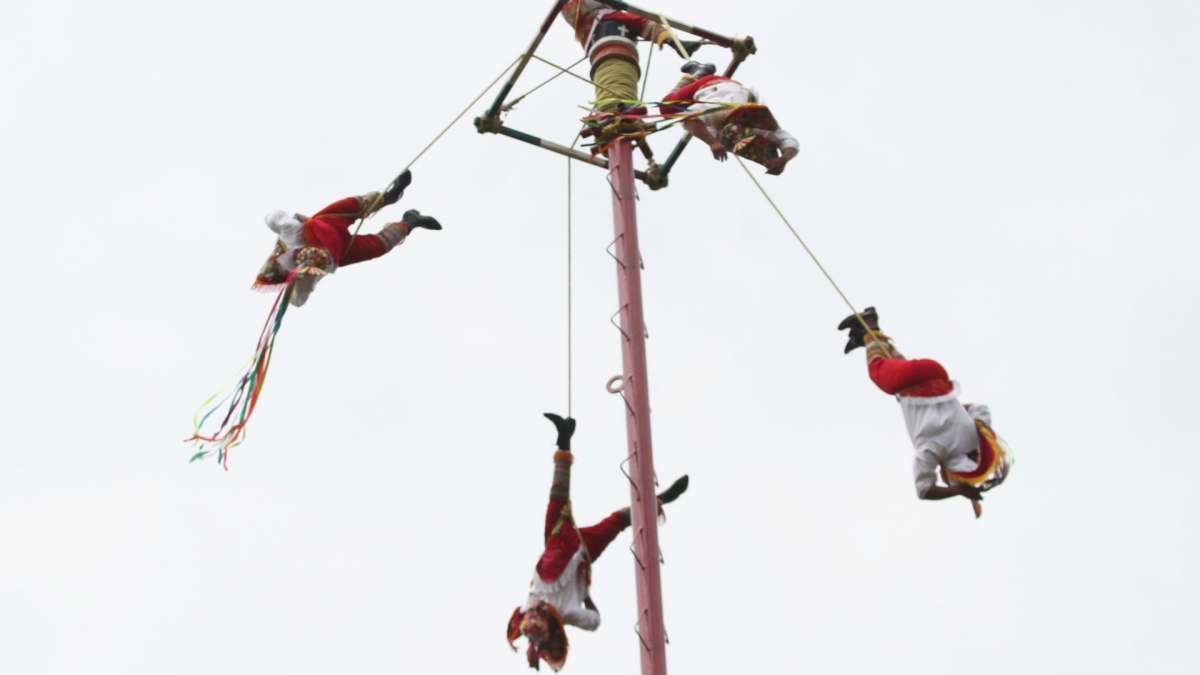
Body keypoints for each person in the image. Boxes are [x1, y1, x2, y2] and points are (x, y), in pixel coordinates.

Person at [507, 413, 689, 671]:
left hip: (562, 547)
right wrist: (584, 592)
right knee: (612, 521)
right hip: (578, 553)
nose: (536, 613)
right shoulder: (564, 612)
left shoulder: (532, 608)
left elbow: (526, 625)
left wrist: (534, 646)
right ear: (548, 622)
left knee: (561, 499)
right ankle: (659, 500)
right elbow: (594, 621)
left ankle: (565, 438)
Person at [838, 307, 1011, 516]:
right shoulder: (935, 449)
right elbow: (924, 490)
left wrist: (956, 411)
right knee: (880, 373)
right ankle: (869, 326)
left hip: (934, 374)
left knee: (896, 367)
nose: (940, 472)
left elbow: (981, 409)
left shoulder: (976, 436)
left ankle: (865, 336)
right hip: (906, 383)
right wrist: (958, 491)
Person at [253, 169, 441, 306]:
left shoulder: (292, 237)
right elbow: (298, 299)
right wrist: (295, 287)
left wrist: (282, 222)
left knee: (352, 205)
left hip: (325, 226)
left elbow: (275, 219)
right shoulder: (305, 274)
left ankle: (389, 196)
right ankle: (410, 222)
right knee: (378, 246)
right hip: (341, 251)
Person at [662, 61, 800, 175]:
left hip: (734, 89)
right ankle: (699, 72)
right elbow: (689, 118)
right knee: (666, 109)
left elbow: (790, 142)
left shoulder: (762, 130)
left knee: (702, 121)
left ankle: (701, 73)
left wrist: (783, 160)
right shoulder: (720, 114)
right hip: (708, 85)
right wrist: (712, 143)